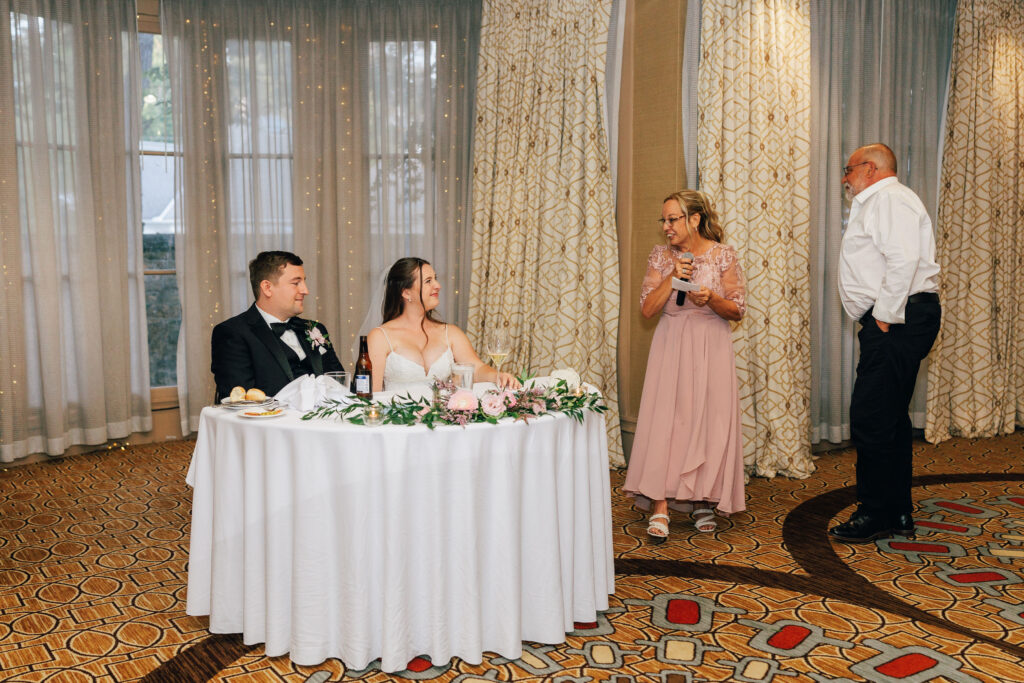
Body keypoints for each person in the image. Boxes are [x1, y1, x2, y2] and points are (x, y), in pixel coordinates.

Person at [829, 143, 941, 544]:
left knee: (871, 417)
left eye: (849, 169)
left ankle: (875, 513)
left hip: (899, 318)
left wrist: (883, 316)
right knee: (890, 418)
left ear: (871, 169)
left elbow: (903, 259)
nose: (845, 177)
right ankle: (897, 512)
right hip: (900, 317)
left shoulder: (890, 198)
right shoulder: (881, 200)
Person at [623, 190, 746, 543]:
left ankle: (702, 498)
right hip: (671, 344)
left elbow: (737, 309)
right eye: (663, 220)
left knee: (707, 421)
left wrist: (712, 299)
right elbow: (647, 309)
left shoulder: (723, 255)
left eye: (672, 219)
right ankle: (660, 502)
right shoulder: (661, 256)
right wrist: (670, 276)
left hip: (711, 345)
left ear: (694, 219)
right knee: (667, 422)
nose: (666, 226)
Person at [366, 257, 519, 393]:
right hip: (398, 421)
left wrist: (498, 376)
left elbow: (477, 369)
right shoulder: (380, 337)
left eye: (435, 279)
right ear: (406, 293)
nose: (438, 285)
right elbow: (373, 394)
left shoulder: (450, 333)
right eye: (428, 281)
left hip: (441, 421)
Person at [211, 250, 344, 399]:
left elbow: (340, 383)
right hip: (271, 421)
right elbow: (240, 400)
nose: (305, 290)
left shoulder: (314, 329)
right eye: (296, 283)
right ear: (267, 288)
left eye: (304, 282)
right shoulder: (232, 333)